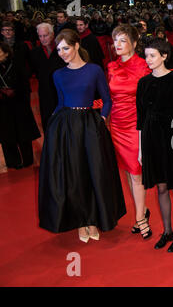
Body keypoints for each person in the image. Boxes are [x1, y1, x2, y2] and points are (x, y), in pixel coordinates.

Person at [38, 29, 126, 242]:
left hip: (90, 125)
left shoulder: (94, 70)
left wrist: (102, 119)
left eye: (66, 48)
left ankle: (94, 219)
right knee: (74, 174)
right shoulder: (58, 75)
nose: (62, 53)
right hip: (66, 127)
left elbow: (107, 100)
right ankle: (81, 221)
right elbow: (60, 102)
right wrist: (52, 127)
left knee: (93, 171)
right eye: (59, 50)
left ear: (77, 45)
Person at [136, 38, 173, 253]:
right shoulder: (143, 83)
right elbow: (140, 120)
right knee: (161, 186)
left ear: (164, 56)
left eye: (152, 55)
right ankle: (167, 230)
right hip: (152, 138)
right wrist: (142, 150)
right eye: (146, 55)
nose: (148, 59)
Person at [108, 25, 152, 240]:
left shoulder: (144, 67)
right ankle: (141, 212)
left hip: (136, 126)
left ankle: (141, 217)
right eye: (115, 40)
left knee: (136, 173)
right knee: (127, 171)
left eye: (123, 40)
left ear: (134, 43)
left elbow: (150, 101)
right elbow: (107, 98)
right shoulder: (111, 67)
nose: (117, 44)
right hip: (116, 125)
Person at [0, 41, 40, 169]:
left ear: (6, 53)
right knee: (6, 134)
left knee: (23, 132)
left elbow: (25, 82)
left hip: (19, 102)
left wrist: (15, 91)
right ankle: (13, 161)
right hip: (2, 105)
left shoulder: (16, 63)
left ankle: (27, 159)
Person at [29, 23, 66, 133]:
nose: (43, 39)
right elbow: (35, 71)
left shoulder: (62, 50)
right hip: (45, 92)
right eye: (40, 36)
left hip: (62, 91)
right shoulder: (35, 53)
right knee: (47, 121)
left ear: (52, 34)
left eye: (45, 35)